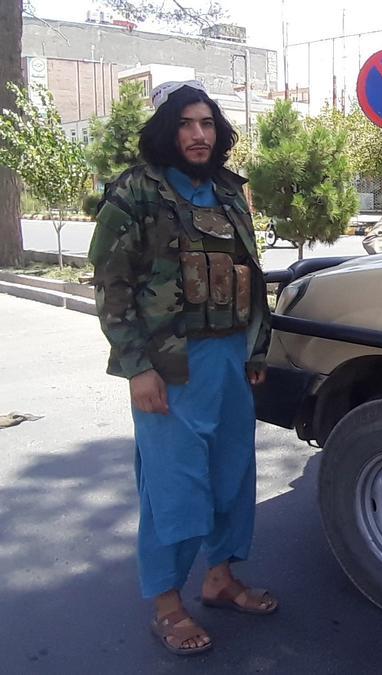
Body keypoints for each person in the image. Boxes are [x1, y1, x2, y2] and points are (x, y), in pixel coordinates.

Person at [88, 80, 277, 657]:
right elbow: (111, 285)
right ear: (167, 131)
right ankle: (167, 605)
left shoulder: (227, 190)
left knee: (232, 477)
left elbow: (248, 274)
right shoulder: (136, 192)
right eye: (187, 124)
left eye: (207, 124)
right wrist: (136, 367)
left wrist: (255, 351)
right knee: (173, 487)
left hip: (229, 358)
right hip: (168, 365)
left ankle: (220, 579)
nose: (199, 135)